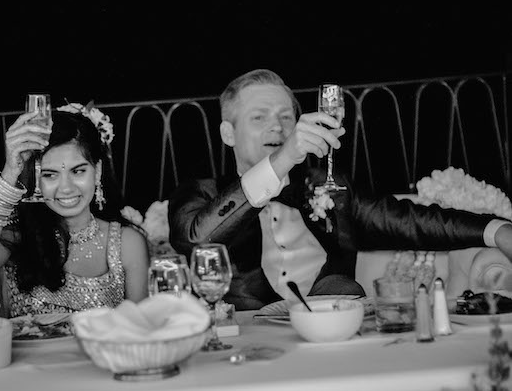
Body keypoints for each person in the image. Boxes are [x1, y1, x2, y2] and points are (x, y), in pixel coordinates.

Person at [168, 69, 512, 310]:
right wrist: (284, 157)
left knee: (342, 290)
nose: (277, 125)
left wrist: (495, 230)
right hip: (249, 344)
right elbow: (199, 239)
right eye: (259, 117)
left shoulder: (327, 187)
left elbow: (408, 220)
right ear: (228, 133)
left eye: (286, 117)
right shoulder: (198, 192)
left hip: (337, 330)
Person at [0, 105, 149, 316]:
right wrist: (10, 171)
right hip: (28, 350)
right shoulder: (20, 235)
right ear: (36, 179)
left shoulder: (126, 242)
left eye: (78, 171)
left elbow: (140, 330)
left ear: (97, 172)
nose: (66, 188)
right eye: (50, 175)